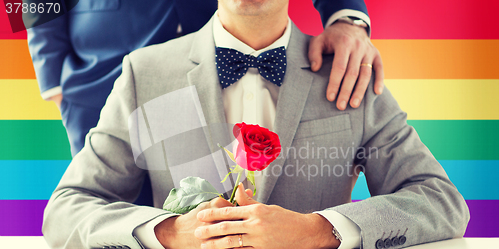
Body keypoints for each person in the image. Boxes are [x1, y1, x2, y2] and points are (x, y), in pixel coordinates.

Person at [42, 0, 469, 249]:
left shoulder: (348, 76)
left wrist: (317, 230)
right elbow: (68, 210)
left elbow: (441, 202)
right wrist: (168, 232)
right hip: (95, 80)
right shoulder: (144, 76)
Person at [26, 0, 383, 156]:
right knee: (113, 226)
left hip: (225, 67)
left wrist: (345, 16)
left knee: (221, 216)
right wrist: (53, 81)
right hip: (100, 75)